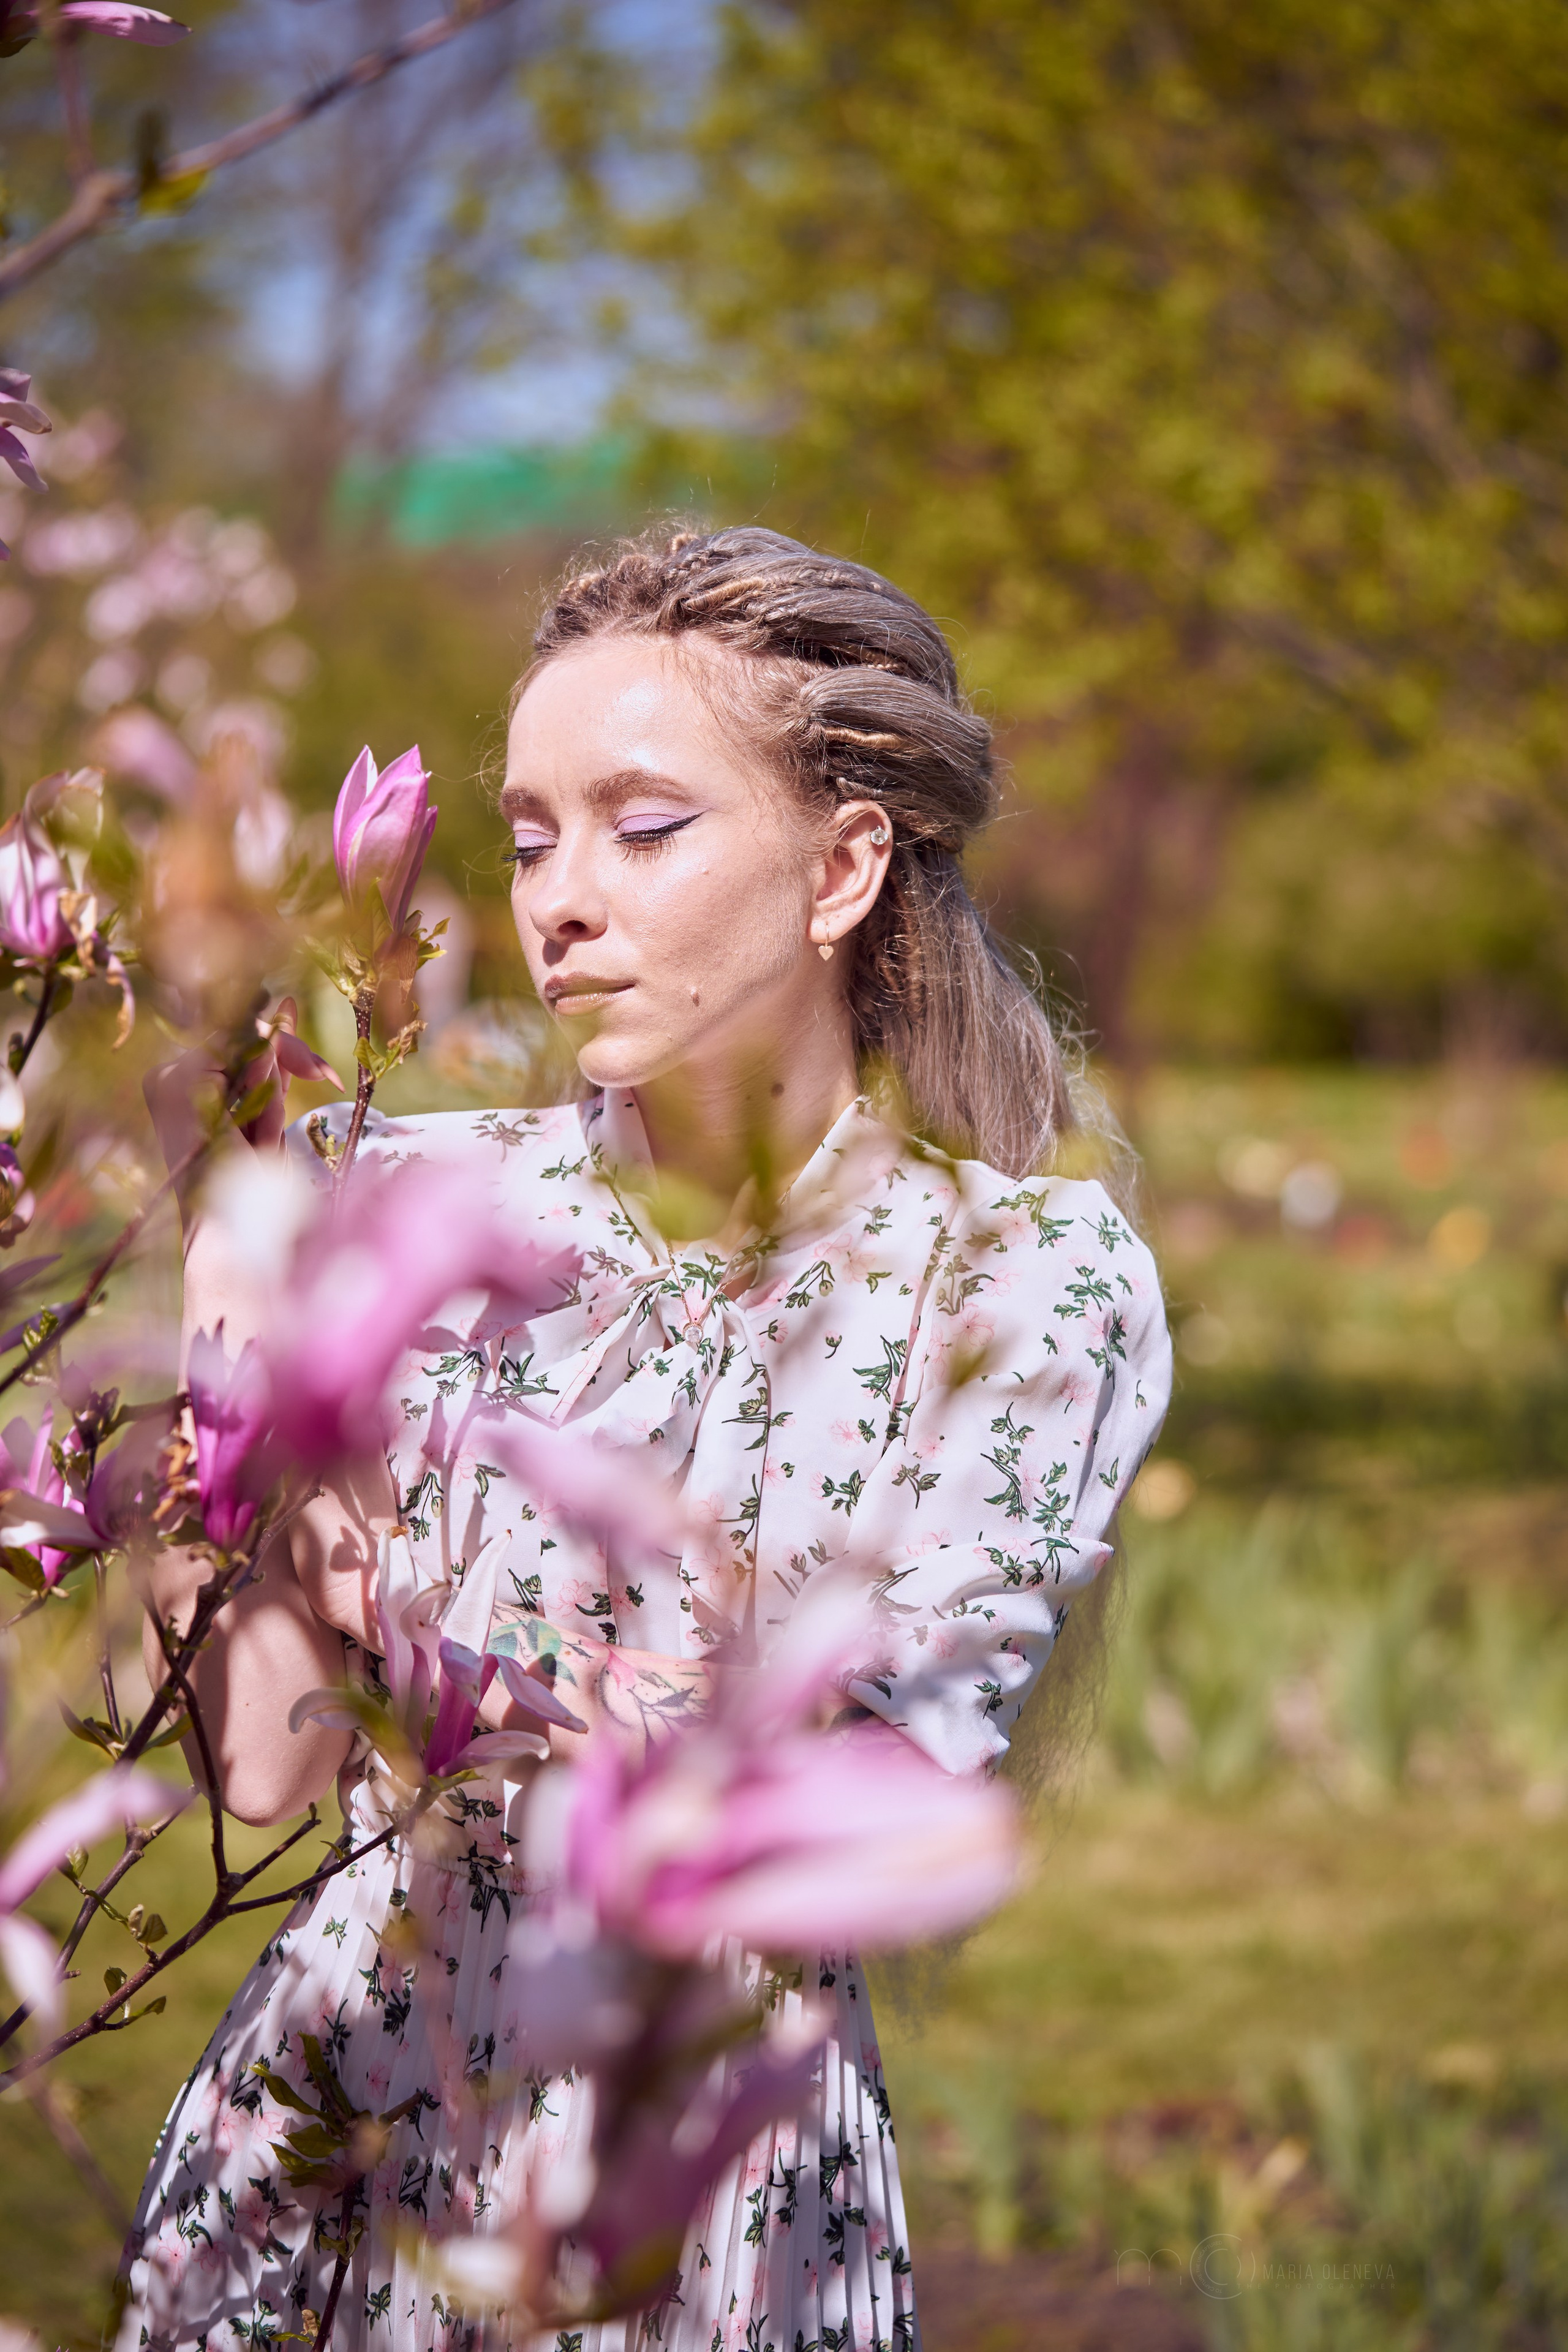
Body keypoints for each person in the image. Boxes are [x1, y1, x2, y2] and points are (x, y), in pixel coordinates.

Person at [119, 527, 1172, 2352]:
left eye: (643, 825)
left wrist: (469, 1668)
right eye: (528, 836)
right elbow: (268, 1774)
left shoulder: (1010, 1279)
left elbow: (887, 1804)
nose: (559, 898)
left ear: (845, 866)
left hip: (705, 2184)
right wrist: (232, 1391)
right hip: (337, 2127)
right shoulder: (410, 1203)